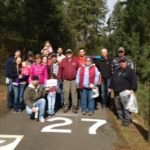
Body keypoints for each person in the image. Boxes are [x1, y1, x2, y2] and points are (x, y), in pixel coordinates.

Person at [109, 57, 137, 127]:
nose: (122, 63)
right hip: (116, 91)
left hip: (125, 92)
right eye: (121, 62)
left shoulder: (130, 71)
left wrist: (132, 89)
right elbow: (113, 79)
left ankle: (127, 120)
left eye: (123, 62)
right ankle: (121, 118)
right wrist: (110, 87)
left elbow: (134, 81)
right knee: (118, 106)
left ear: (126, 63)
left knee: (126, 107)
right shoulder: (116, 70)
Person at [58, 49, 80, 113]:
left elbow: (79, 69)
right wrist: (59, 78)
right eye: (68, 53)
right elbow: (60, 70)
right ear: (66, 54)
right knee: (66, 93)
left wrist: (79, 79)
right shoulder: (63, 61)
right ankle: (66, 106)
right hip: (66, 80)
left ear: (72, 53)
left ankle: (74, 107)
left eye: (70, 53)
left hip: (74, 80)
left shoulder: (75, 60)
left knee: (74, 94)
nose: (69, 54)